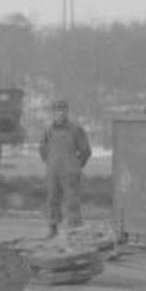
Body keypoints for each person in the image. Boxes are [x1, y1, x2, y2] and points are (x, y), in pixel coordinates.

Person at [40, 100, 93, 236]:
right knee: (52, 198)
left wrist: (76, 165)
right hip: (53, 171)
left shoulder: (76, 129)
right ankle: (53, 227)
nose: (60, 113)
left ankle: (74, 229)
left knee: (72, 199)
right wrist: (50, 162)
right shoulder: (48, 130)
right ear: (53, 113)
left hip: (70, 171)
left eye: (63, 110)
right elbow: (42, 148)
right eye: (57, 110)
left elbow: (85, 150)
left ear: (67, 112)